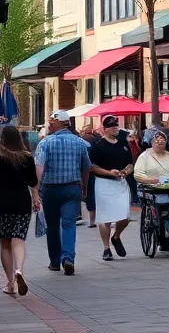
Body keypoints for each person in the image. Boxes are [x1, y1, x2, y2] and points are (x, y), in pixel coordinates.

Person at [34, 110, 91, 276]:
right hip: (72, 188)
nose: (50, 123)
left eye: (52, 121)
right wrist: (85, 186)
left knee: (52, 226)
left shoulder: (46, 143)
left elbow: (39, 167)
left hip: (50, 189)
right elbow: (86, 166)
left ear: (61, 123)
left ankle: (54, 261)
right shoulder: (79, 143)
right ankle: (68, 257)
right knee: (69, 224)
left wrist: (36, 189)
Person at [0, 125, 39, 297]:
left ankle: (10, 283)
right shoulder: (27, 158)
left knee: (5, 243)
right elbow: (33, 181)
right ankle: (20, 271)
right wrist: (36, 198)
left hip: (2, 202)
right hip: (22, 201)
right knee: (18, 239)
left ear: (2, 139)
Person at [88, 116, 134, 261]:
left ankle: (117, 236)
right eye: (112, 126)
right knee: (105, 218)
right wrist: (109, 172)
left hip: (121, 182)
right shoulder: (98, 146)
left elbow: (130, 163)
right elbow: (92, 167)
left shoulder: (123, 143)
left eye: (116, 126)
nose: (115, 128)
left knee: (125, 216)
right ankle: (106, 248)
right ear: (104, 129)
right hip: (104, 183)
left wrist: (126, 171)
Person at [134, 130, 169, 251]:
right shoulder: (144, 156)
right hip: (152, 189)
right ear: (151, 142)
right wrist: (153, 181)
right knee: (162, 205)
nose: (160, 141)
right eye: (157, 139)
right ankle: (162, 233)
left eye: (162, 139)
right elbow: (138, 174)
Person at [78, 121, 99, 228]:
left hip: (80, 171)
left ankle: (77, 216)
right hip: (92, 170)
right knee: (91, 195)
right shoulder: (96, 140)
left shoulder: (80, 140)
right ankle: (92, 220)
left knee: (80, 195)